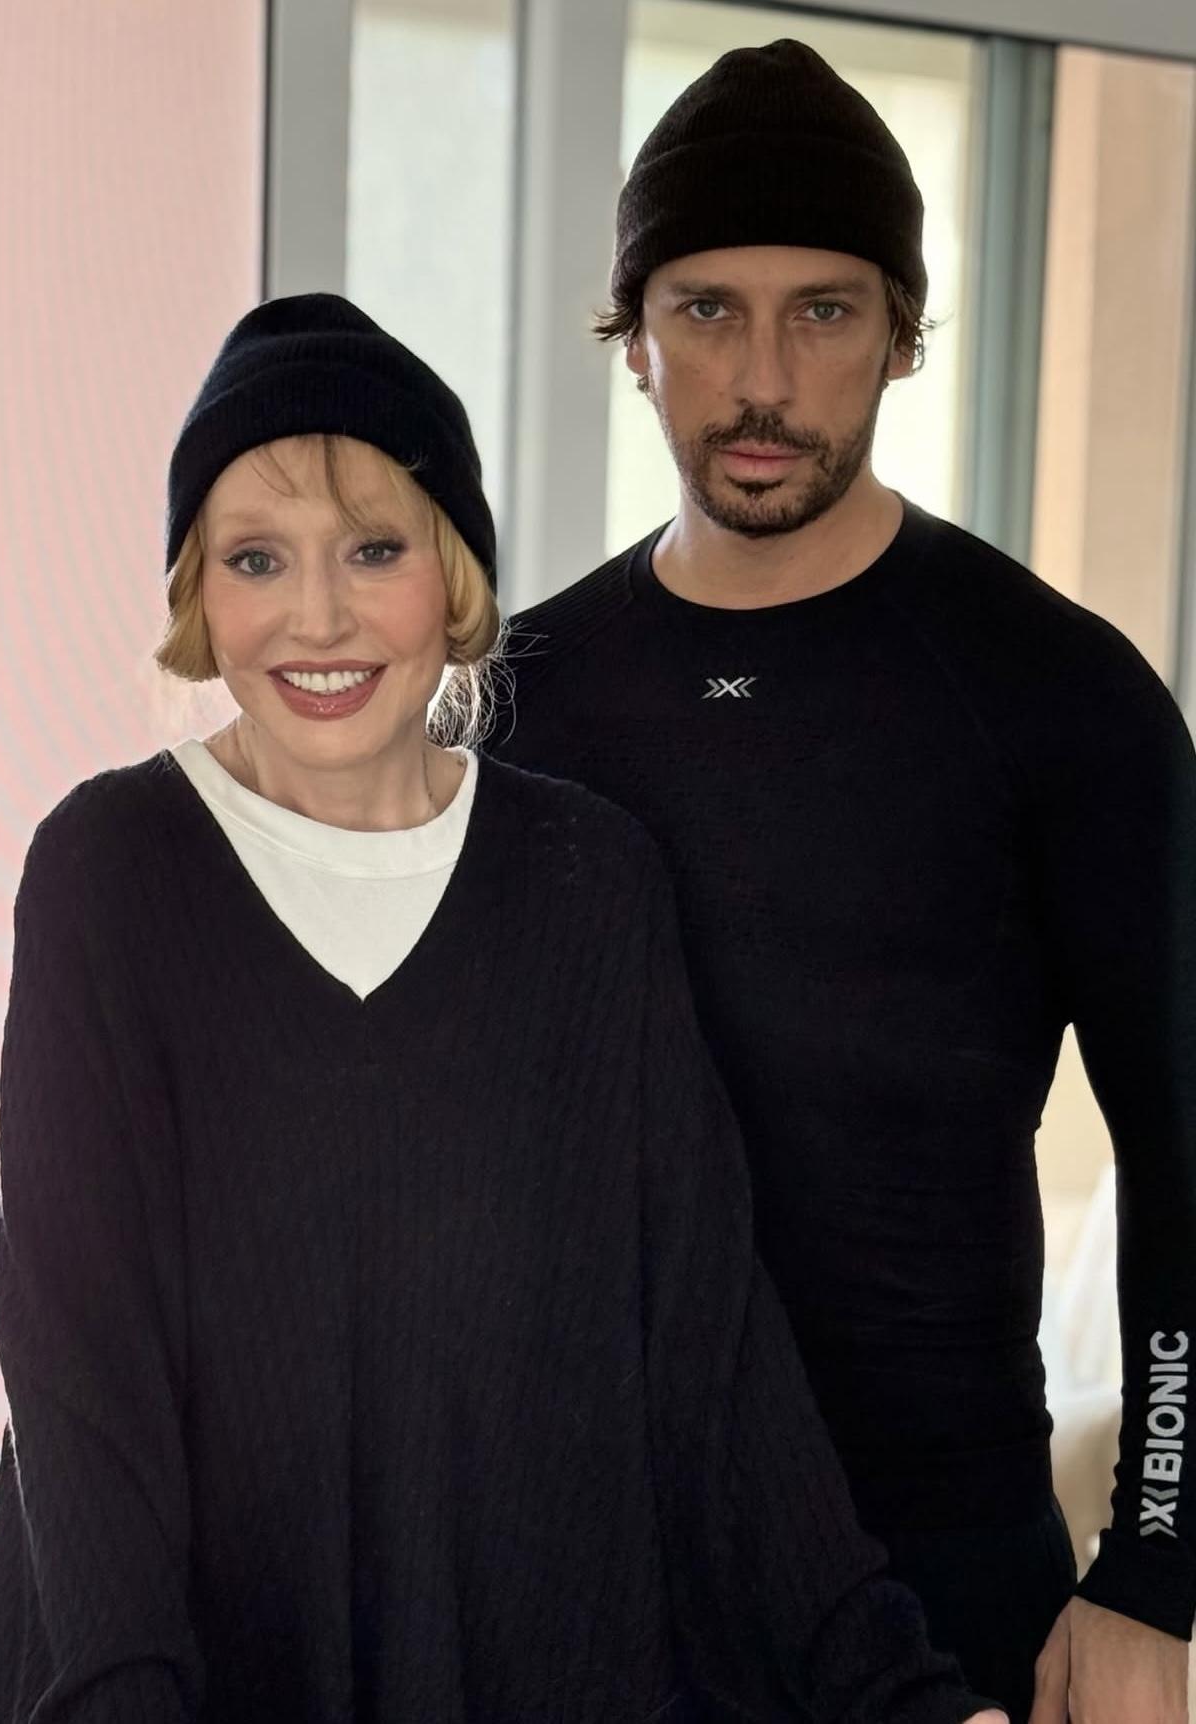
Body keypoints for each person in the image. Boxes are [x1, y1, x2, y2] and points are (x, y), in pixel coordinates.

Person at [0, 293, 1004, 1724]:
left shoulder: (591, 885)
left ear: (454, 578)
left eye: (374, 550)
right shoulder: (109, 874)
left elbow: (710, 1361)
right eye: (257, 558)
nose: (318, 616)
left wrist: (897, 1694)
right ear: (199, 597)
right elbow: (79, 1379)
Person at [491, 40, 1195, 1724]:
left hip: (944, 1572)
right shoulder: (518, 704)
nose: (763, 381)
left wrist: (1157, 1577)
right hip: (594, 1569)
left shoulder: (1059, 693)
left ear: (900, 331)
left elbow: (1186, 1149)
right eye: (707, 310)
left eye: (823, 312)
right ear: (635, 332)